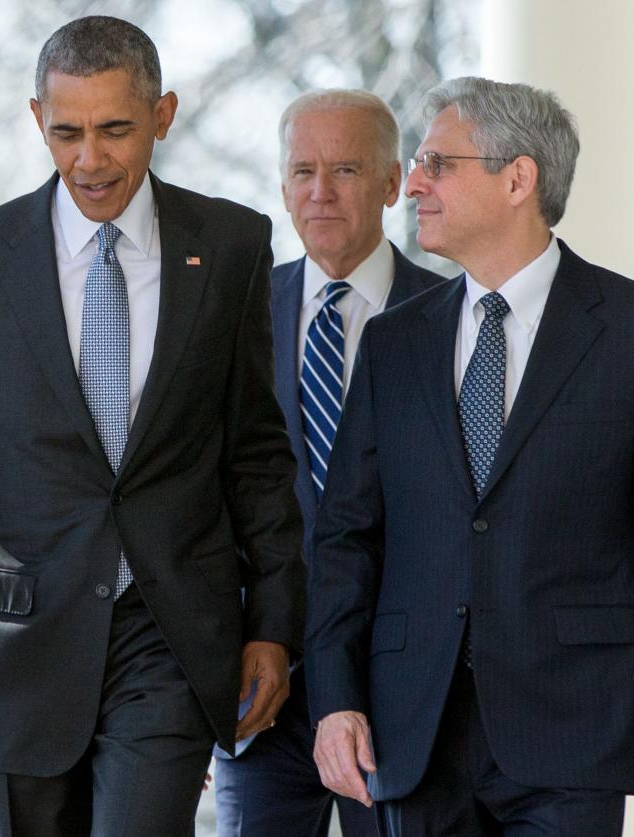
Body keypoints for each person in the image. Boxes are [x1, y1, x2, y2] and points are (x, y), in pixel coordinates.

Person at [0, 16, 305, 837]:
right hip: (16, 647)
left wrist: (273, 625)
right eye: (66, 132)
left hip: (169, 637)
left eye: (114, 130)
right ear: (37, 119)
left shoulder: (233, 246)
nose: (89, 160)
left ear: (163, 115)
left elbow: (256, 456)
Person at [305, 76, 634, 836]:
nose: (413, 183)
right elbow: (345, 539)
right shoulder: (395, 343)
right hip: (412, 730)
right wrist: (335, 698)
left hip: (574, 729)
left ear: (518, 178)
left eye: (439, 163)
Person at [213, 90, 445, 837]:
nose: (320, 191)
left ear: (390, 182)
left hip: (399, 688)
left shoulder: (453, 321)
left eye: (344, 169)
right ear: (281, 185)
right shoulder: (229, 318)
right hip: (263, 683)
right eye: (303, 170)